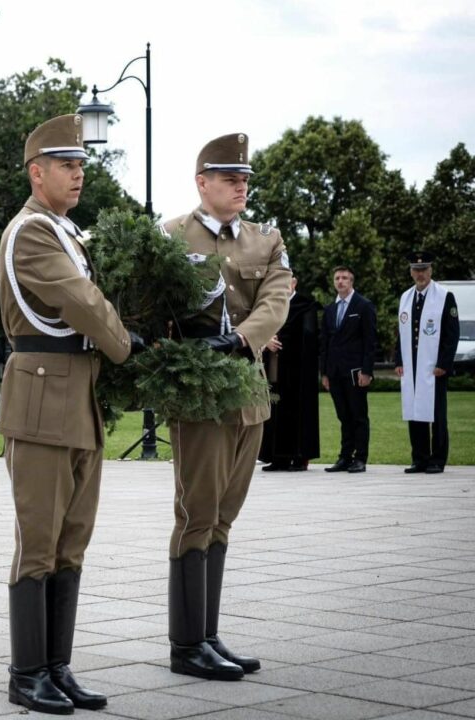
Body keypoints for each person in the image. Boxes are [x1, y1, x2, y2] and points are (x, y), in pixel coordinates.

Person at [0, 114, 140, 714]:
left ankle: (57, 667)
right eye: (66, 165)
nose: (79, 173)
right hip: (41, 392)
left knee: (72, 540)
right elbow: (83, 301)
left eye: (82, 164)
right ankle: (26, 672)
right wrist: (129, 345)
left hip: (75, 390)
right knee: (39, 540)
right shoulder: (32, 232)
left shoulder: (67, 231)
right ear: (37, 173)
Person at [162, 133, 291, 681]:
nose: (241, 187)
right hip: (199, 399)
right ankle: (186, 644)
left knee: (223, 517)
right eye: (229, 178)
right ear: (202, 183)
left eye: (245, 180)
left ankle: (208, 635)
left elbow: (277, 297)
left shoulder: (265, 239)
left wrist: (241, 339)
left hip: (249, 394)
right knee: (196, 514)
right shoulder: (170, 235)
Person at [394, 251, 460, 474]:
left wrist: (444, 362)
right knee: (414, 411)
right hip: (412, 366)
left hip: (434, 368)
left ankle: (437, 459)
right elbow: (401, 333)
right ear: (411, 272)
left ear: (431, 270)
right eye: (416, 269)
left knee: (437, 414)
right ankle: (419, 457)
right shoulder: (405, 297)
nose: (420, 273)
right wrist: (399, 360)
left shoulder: (444, 296)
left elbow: (452, 334)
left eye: (424, 269)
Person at [259, 274, 320, 471]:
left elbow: (308, 336)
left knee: (296, 411)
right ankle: (277, 457)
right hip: (275, 367)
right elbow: (261, 328)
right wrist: (267, 341)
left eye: (287, 281)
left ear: (294, 283)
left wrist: (282, 339)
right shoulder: (270, 305)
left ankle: (298, 456)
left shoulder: (305, 305)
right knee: (275, 410)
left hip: (297, 370)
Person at [319, 266, 376, 473]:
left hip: (356, 372)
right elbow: (324, 342)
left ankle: (360, 458)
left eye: (344, 278)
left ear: (351, 281)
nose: (340, 281)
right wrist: (324, 372)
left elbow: (370, 342)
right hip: (334, 372)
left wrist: (367, 371)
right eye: (337, 278)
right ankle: (345, 457)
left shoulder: (364, 306)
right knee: (343, 416)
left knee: (358, 416)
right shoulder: (329, 309)